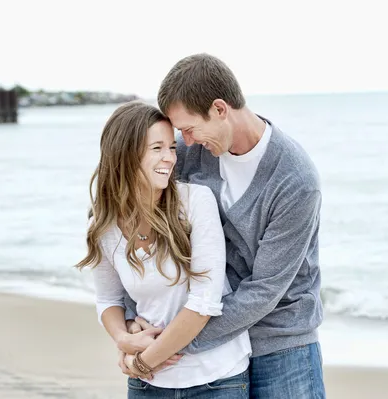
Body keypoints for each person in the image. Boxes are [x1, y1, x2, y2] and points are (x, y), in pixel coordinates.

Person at [125, 53, 326, 398]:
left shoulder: (295, 179)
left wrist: (171, 343)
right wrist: (134, 321)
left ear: (220, 109)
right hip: (216, 347)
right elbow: (144, 226)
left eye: (189, 128)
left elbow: (265, 288)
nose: (184, 140)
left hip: (280, 343)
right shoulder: (193, 153)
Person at [75, 100, 252, 398]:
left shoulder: (196, 201)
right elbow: (108, 299)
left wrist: (143, 361)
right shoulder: (104, 226)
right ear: (125, 155)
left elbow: (204, 303)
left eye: (171, 147)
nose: (170, 158)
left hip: (217, 379)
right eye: (157, 148)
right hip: (148, 385)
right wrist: (123, 338)